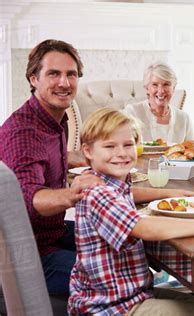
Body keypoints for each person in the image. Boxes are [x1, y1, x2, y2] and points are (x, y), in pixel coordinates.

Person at [68, 108, 194, 315]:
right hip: (109, 306)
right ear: (88, 151)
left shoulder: (110, 183)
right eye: (109, 146)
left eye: (128, 145)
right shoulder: (98, 193)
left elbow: (128, 193)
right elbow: (143, 227)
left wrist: (169, 193)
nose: (121, 153)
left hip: (131, 293)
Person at [0, 39, 104, 298]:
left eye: (71, 74)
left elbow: (40, 158)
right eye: (53, 74)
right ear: (34, 78)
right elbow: (30, 199)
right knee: (116, 272)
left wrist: (80, 157)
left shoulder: (48, 118)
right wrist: (75, 192)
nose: (64, 83)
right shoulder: (24, 132)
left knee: (123, 242)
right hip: (28, 256)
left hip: (51, 234)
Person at [124, 62, 194, 144]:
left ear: (173, 87)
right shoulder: (132, 113)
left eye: (166, 84)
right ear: (147, 88)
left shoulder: (184, 119)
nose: (161, 91)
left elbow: (191, 153)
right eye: (155, 85)